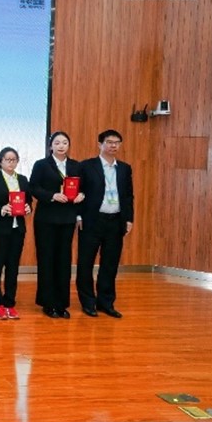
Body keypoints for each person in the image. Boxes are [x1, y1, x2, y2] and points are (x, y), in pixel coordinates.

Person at [76, 129, 134, 318]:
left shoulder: (124, 168)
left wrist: (129, 219)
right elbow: (78, 193)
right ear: (100, 144)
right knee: (86, 263)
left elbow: (128, 196)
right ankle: (88, 302)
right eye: (109, 142)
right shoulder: (86, 166)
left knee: (110, 264)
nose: (113, 145)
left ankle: (106, 303)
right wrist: (78, 217)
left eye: (117, 142)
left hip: (115, 221)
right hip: (92, 221)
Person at [29, 131, 85, 319]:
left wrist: (81, 195)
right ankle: (48, 303)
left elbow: (83, 188)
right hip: (46, 219)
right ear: (51, 145)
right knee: (47, 260)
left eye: (65, 142)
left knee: (63, 261)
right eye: (57, 142)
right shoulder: (41, 165)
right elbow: (33, 187)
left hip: (67, 219)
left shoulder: (76, 166)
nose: (61, 146)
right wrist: (52, 195)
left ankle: (62, 304)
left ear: (69, 145)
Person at [0, 147, 32, 320]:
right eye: (7, 159)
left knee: (13, 267)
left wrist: (28, 207)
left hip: (17, 229)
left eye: (14, 159)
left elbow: (29, 201)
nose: (11, 163)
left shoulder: (23, 179)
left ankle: (10, 303)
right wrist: (1, 209)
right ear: (0, 161)